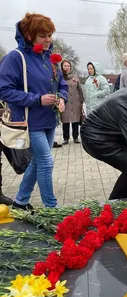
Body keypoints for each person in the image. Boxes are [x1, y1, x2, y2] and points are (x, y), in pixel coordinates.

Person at [0, 13, 68, 210]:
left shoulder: (51, 60)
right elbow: (4, 90)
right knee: (46, 162)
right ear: (29, 35)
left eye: (49, 35)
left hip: (49, 120)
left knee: (38, 162)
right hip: (29, 121)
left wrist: (62, 99)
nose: (48, 40)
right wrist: (37, 99)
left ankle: (21, 201)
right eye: (42, 36)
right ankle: (51, 208)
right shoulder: (16, 57)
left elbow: (62, 85)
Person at [60, 59, 84, 145]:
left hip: (75, 101)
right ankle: (65, 138)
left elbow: (80, 89)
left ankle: (75, 137)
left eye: (68, 66)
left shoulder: (75, 77)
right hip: (65, 101)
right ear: (62, 67)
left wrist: (81, 100)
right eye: (65, 66)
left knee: (75, 120)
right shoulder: (60, 76)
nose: (67, 67)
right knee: (65, 120)